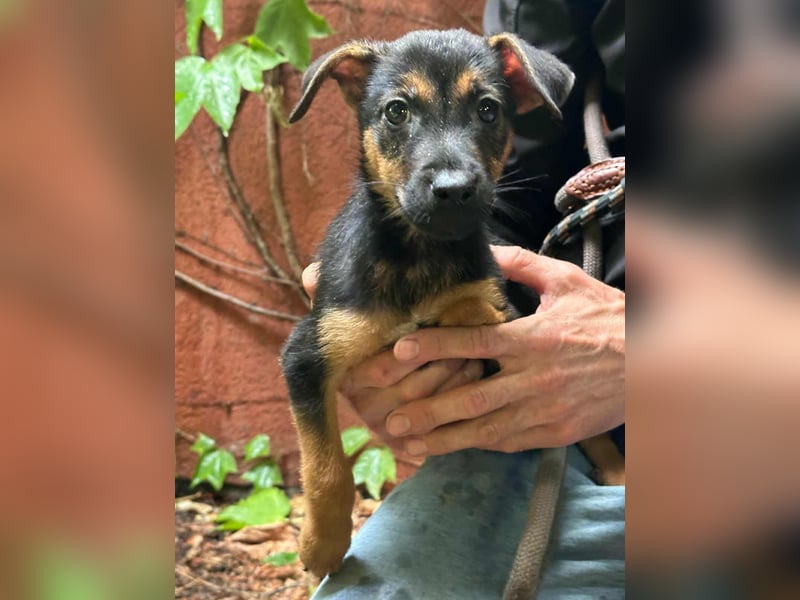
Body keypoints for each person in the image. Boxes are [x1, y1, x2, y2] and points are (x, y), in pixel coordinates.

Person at [311, 1, 625, 597]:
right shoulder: (534, 18)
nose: (450, 169)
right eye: (399, 113)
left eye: (484, 111)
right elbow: (522, 202)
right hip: (560, 422)